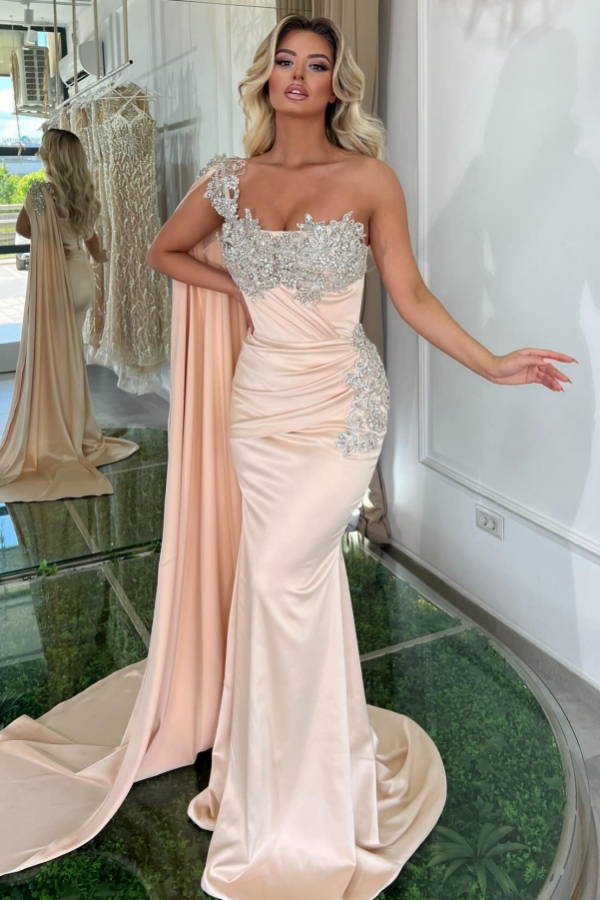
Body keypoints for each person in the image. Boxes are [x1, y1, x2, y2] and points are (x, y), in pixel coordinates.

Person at [0, 16, 576, 900]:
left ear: (337, 84)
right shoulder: (229, 179)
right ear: (267, 77)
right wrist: (237, 286)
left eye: (317, 65)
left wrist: (492, 362)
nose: (299, 76)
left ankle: (297, 797)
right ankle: (286, 765)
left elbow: (410, 295)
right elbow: (162, 251)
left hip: (340, 408)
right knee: (281, 587)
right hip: (261, 408)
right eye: (286, 62)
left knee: (280, 580)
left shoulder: (370, 179)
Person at [0, 128, 138, 502]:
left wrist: (48, 234)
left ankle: (53, 435)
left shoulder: (39, 193)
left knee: (50, 358)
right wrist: (100, 255)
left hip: (55, 280)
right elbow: (94, 245)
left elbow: (22, 229)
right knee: (69, 355)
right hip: (79, 280)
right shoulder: (83, 194)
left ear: (50, 157)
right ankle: (72, 429)